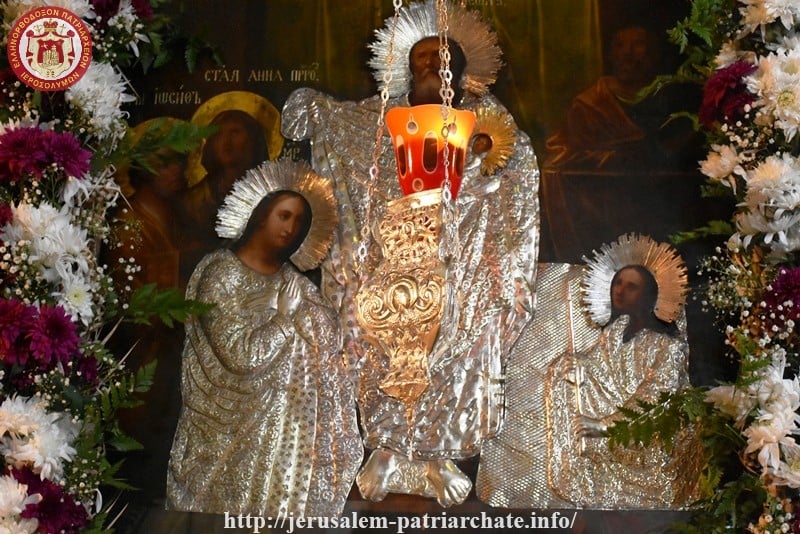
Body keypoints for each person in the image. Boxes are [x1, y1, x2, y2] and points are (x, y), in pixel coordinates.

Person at [282, 0, 539, 507]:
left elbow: (512, 173)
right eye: (420, 59)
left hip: (459, 260)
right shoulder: (377, 120)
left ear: (462, 71)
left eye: (441, 60)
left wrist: (480, 176)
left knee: (458, 338)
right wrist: (315, 110)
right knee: (374, 335)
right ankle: (385, 446)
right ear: (406, 66)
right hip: (388, 255)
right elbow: (325, 128)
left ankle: (439, 454)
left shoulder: (488, 120)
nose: (430, 66)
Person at [166, 160, 362, 518]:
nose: (291, 228)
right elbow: (241, 356)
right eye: (284, 215)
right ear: (259, 215)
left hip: (289, 447)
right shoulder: (220, 272)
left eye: (300, 222)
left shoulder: (296, 283)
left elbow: (327, 340)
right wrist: (286, 320)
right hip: (231, 434)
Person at [543, 235, 700, 508]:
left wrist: (605, 425)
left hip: (649, 437)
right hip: (615, 428)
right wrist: (575, 367)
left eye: (631, 287)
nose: (620, 291)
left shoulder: (666, 346)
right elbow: (598, 368)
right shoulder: (615, 333)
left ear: (649, 296)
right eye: (618, 283)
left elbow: (655, 399)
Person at [544, 25, 695, 170]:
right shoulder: (590, 104)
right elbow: (566, 157)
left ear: (654, 53)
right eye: (619, 45)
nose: (627, 53)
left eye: (638, 44)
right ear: (611, 54)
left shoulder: (671, 98)